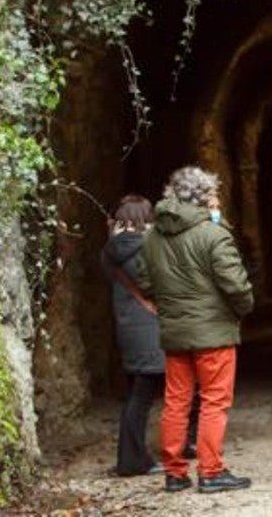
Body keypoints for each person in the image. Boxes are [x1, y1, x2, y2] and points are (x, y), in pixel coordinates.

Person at [136, 167, 255, 494]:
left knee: (176, 402)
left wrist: (167, 304)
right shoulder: (213, 235)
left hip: (175, 331)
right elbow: (234, 284)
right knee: (214, 401)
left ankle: (174, 473)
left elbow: (144, 280)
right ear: (205, 197)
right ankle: (211, 470)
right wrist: (243, 308)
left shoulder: (152, 236)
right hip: (213, 332)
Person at [100, 195, 167, 477]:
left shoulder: (110, 250)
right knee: (142, 397)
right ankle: (132, 460)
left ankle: (134, 457)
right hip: (148, 330)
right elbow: (153, 284)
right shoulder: (142, 248)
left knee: (136, 395)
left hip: (127, 327)